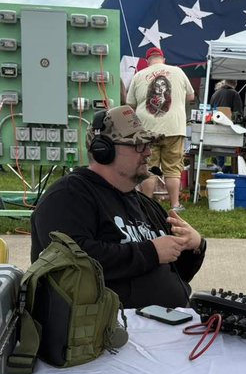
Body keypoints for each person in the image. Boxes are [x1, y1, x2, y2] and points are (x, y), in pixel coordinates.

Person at [30, 105, 206, 310]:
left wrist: (194, 247)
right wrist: (150, 252)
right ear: (103, 150)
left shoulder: (146, 205)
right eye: (138, 145)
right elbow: (70, 261)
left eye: (148, 144)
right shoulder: (68, 196)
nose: (148, 152)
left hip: (164, 325)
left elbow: (178, 274)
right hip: (101, 334)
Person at [125, 46, 196, 211]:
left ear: (148, 60)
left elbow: (130, 104)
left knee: (148, 167)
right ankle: (175, 204)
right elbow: (191, 96)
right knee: (173, 167)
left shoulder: (139, 75)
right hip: (174, 128)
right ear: (163, 59)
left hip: (148, 129)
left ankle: (146, 204)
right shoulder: (178, 72)